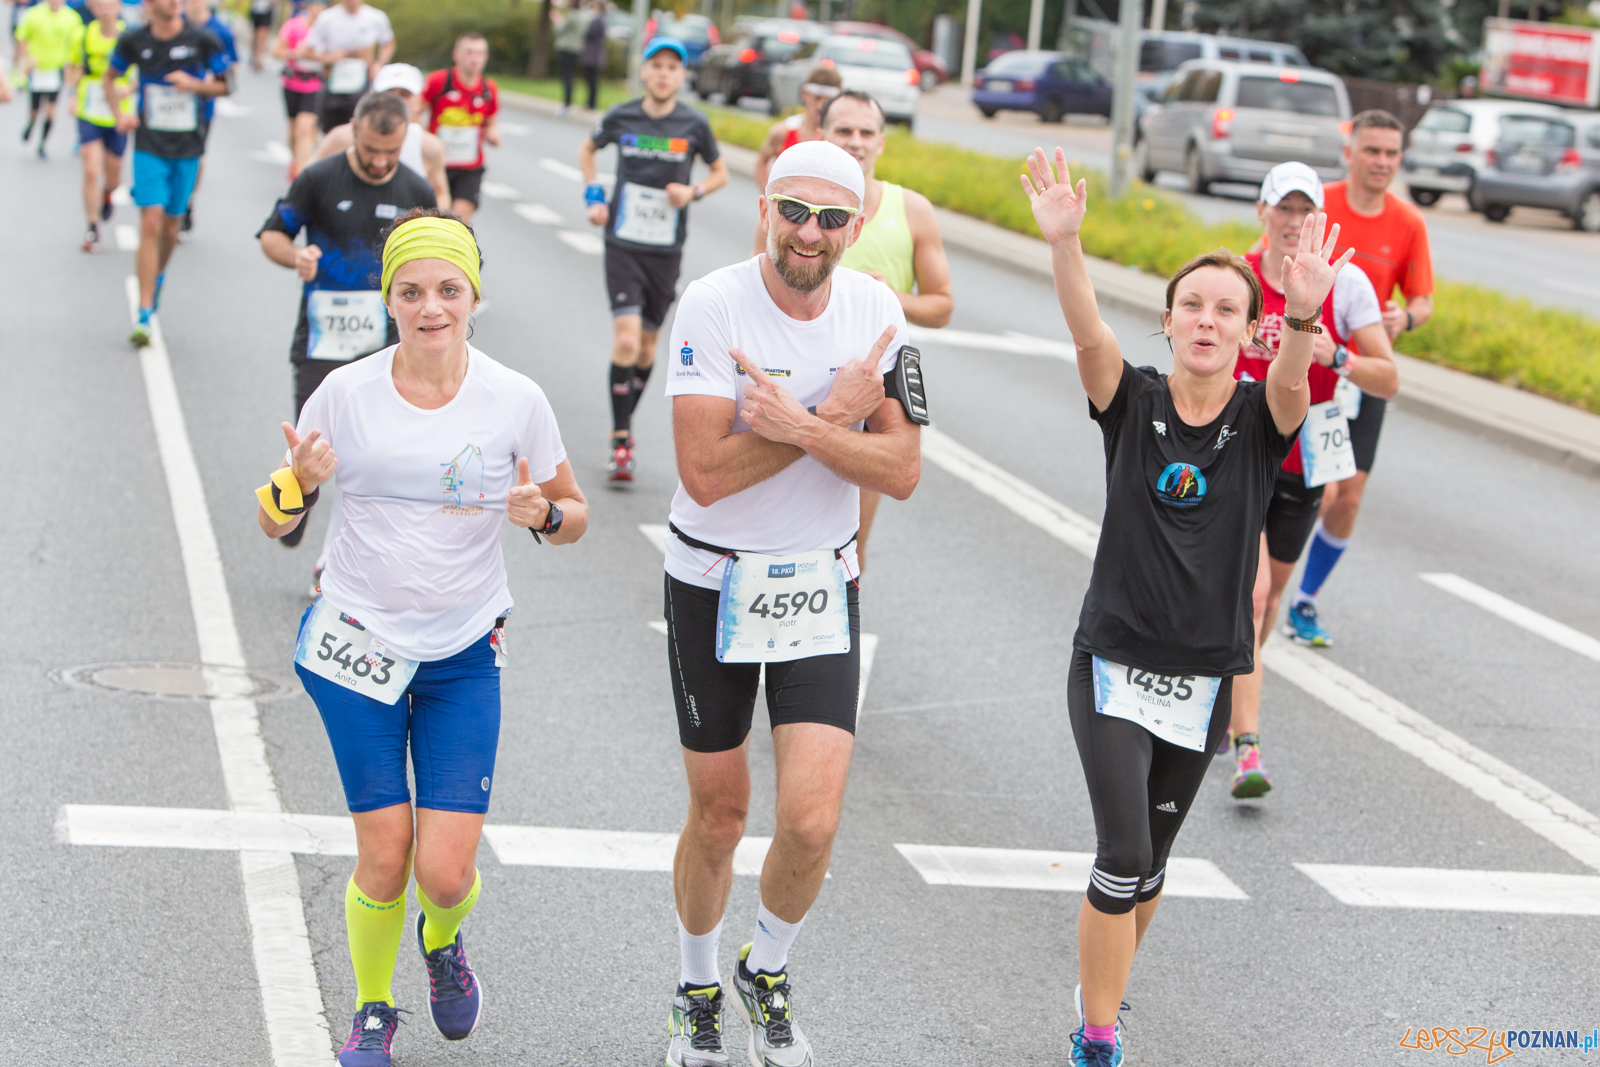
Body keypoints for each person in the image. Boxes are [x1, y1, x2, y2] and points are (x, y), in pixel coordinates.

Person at [1021, 146, 1353, 1066]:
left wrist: (1301, 312)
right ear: (1168, 323)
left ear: (1247, 331)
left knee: (1155, 865)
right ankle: (1095, 1036)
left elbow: (1293, 379)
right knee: (1121, 852)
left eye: (1226, 309)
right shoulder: (1129, 400)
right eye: (1192, 307)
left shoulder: (1259, 419)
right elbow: (1089, 333)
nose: (1207, 320)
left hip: (1202, 679)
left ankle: (1108, 998)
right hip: (1113, 664)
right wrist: (1065, 245)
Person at [258, 207, 588, 1067]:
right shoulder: (346, 392)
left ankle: (442, 942)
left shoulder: (516, 399)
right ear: (389, 301)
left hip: (460, 657)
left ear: (474, 295)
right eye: (411, 291)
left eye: (447, 288)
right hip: (357, 648)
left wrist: (544, 515)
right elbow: (270, 515)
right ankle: (373, 1011)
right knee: (384, 851)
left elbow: (574, 512)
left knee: (444, 872)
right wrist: (297, 484)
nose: (429, 305)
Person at [661, 139, 921, 1067]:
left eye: (831, 218)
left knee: (811, 820)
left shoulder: (876, 310)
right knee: (721, 814)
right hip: (712, 578)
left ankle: (763, 968)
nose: (809, 233)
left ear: (856, 227)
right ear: (765, 209)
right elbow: (704, 471)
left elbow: (903, 468)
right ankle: (695, 985)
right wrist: (838, 418)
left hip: (819, 578)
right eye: (794, 211)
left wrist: (802, 421)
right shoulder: (714, 303)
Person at [1224, 162, 1397, 799]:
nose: (1295, 223)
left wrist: (1340, 356)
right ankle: (1246, 741)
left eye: (1306, 212)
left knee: (1268, 604)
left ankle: (1234, 679)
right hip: (1241, 452)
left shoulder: (1345, 283)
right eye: (1284, 210)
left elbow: (1389, 378)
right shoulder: (1237, 275)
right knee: (1251, 592)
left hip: (1307, 455)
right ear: (1263, 214)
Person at [256, 91, 437, 586]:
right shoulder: (318, 178)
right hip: (321, 340)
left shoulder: (416, 189)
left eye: (392, 152)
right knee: (313, 450)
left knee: (372, 464)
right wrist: (295, 258)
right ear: (353, 130)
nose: (380, 162)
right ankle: (296, 509)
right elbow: (272, 235)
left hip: (389, 345)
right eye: (372, 148)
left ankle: (335, 562)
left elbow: (437, 264)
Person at [1288, 109, 1433, 647]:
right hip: (1306, 360)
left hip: (1358, 370)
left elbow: (1423, 299)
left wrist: (1407, 317)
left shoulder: (1408, 223)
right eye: (1372, 151)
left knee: (1346, 496)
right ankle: (1263, 583)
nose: (1382, 163)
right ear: (1349, 152)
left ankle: (1303, 599)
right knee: (1303, 486)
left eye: (1392, 154)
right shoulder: (1318, 203)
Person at [579, 36, 727, 483]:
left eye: (672, 67)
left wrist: (693, 192)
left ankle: (625, 422)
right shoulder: (622, 115)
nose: (663, 73)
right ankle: (621, 438)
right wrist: (594, 196)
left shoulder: (694, 124)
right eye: (656, 65)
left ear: (682, 76)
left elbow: (719, 172)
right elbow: (588, 150)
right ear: (644, 71)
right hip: (622, 242)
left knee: (646, 348)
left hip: (666, 250)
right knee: (625, 341)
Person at [821, 88, 952, 571]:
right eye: (844, 130)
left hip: (874, 388)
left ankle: (835, 640)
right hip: (799, 376)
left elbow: (942, 306)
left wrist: (888, 297)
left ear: (880, 141)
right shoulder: (794, 210)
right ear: (823, 136)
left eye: (866, 132)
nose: (855, 141)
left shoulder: (911, 210)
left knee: (851, 545)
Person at [107, 0, 230, 346]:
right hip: (148, 143)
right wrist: (120, 113)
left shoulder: (203, 40)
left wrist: (195, 85)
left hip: (189, 146)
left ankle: (156, 277)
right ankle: (144, 312)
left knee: (172, 225)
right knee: (150, 221)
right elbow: (110, 76)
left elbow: (227, 84)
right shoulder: (134, 40)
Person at [313, 62, 450, 206]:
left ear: (418, 101)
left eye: (405, 94)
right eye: (389, 92)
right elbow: (309, 181)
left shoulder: (429, 146)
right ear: (372, 96)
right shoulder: (342, 138)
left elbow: (441, 194)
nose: (396, 100)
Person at [750, 65, 842, 253]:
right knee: (758, 264)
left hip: (821, 221)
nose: (820, 105)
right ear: (805, 94)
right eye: (817, 97)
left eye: (827, 99)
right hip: (783, 215)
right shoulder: (783, 131)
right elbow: (761, 161)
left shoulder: (840, 139)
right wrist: (771, 199)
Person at [69, 0, 132, 251]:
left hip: (118, 114)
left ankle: (107, 194)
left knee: (113, 175)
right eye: (101, 6)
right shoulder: (82, 35)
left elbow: (141, 72)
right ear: (93, 9)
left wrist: (130, 87)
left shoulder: (129, 37)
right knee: (91, 169)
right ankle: (92, 226)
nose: (106, 11)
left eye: (110, 6)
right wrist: (73, 94)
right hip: (90, 109)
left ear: (118, 8)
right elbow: (74, 68)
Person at [421, 33, 499, 225]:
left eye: (480, 53)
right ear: (457, 55)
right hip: (439, 162)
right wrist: (424, 137)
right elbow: (416, 111)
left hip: (470, 166)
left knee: (459, 222)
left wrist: (493, 134)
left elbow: (491, 122)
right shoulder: (438, 81)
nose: (474, 58)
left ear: (485, 57)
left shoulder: (489, 88)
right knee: (435, 218)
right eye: (469, 52)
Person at [179, 0, 236, 234]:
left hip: (201, 107)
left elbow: (231, 72)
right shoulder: (175, 23)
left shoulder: (220, 30)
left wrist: (205, 85)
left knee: (195, 156)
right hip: (170, 106)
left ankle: (187, 201)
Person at [298, 0, 392, 135]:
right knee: (331, 131)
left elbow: (388, 43)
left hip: (362, 81)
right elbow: (307, 51)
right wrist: (329, 58)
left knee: (361, 127)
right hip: (334, 81)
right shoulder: (327, 17)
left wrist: (379, 63)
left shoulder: (376, 17)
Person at [15, 0, 84, 159]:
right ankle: (31, 124)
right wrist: (27, 58)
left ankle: (42, 144)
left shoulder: (71, 18)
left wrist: (71, 68)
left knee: (51, 111)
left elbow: (77, 44)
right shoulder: (33, 14)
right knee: (35, 110)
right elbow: (21, 36)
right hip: (37, 69)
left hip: (57, 69)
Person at [275, 0, 324, 180]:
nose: (318, 10)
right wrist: (294, 53)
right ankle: (296, 160)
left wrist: (318, 56)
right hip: (292, 81)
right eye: (315, 5)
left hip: (314, 83)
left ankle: (302, 172)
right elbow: (276, 50)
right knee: (294, 131)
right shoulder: (295, 25)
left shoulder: (327, 29)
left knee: (305, 128)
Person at [552, 0, 594, 115]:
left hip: (566, 48)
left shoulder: (571, 15)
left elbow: (560, 30)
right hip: (577, 49)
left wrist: (556, 20)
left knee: (566, 75)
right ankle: (568, 101)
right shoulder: (582, 17)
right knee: (570, 75)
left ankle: (567, 102)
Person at [246, 0, 274, 70]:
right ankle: (254, 55)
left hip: (266, 11)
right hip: (256, 10)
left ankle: (258, 60)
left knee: (262, 36)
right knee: (256, 36)